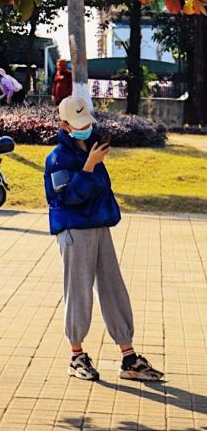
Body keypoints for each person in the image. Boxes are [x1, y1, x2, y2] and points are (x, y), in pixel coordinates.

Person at [44, 95, 164, 383]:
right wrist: (88, 167)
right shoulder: (57, 158)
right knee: (79, 292)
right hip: (74, 231)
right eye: (79, 124)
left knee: (113, 288)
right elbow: (67, 197)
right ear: (64, 125)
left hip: (99, 227)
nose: (86, 128)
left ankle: (129, 357)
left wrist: (93, 159)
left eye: (88, 123)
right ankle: (76, 355)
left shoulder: (93, 146)